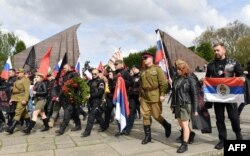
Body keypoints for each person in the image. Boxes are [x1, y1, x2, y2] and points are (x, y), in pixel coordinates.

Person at [205, 43, 244, 150]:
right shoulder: (211, 64)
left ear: (224, 50)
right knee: (219, 119)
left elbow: (241, 75)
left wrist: (242, 79)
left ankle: (239, 136)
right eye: (214, 51)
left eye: (218, 50)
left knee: (234, 117)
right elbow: (207, 78)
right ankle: (222, 140)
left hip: (230, 96)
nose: (216, 52)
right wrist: (203, 81)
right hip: (217, 96)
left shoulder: (233, 62)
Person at [139, 52, 171, 145]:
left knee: (156, 116)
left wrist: (162, 94)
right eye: (143, 58)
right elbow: (140, 85)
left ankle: (167, 125)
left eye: (145, 57)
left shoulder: (157, 69)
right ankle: (148, 137)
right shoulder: (143, 71)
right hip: (144, 96)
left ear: (151, 58)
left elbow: (163, 83)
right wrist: (140, 95)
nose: (144, 59)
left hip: (154, 95)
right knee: (145, 115)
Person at [171, 59, 198, 153]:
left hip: (186, 103)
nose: (177, 70)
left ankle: (184, 144)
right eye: (176, 69)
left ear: (183, 69)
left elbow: (194, 94)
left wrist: (195, 109)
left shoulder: (190, 79)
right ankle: (191, 135)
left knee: (185, 124)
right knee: (180, 123)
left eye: (179, 69)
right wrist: (172, 104)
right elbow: (174, 92)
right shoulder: (176, 78)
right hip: (178, 103)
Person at [55, 64, 81, 135]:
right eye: (63, 68)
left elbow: (78, 84)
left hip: (71, 97)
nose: (64, 69)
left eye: (65, 68)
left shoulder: (74, 74)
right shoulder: (65, 76)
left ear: (69, 68)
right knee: (74, 113)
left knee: (67, 113)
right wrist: (59, 96)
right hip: (65, 97)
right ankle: (78, 125)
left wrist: (72, 89)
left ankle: (62, 129)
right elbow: (63, 87)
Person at [81, 68, 106, 137]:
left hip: (97, 101)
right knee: (97, 116)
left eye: (95, 73)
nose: (94, 75)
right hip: (90, 101)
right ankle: (104, 126)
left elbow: (100, 93)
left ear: (98, 74)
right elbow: (85, 89)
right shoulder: (90, 81)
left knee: (91, 116)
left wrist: (91, 95)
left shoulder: (101, 81)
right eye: (92, 73)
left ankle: (87, 132)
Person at [5, 68, 31, 134]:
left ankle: (11, 128)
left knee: (18, 112)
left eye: (19, 72)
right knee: (24, 112)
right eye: (17, 72)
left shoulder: (26, 80)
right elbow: (14, 91)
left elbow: (27, 91)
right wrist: (12, 98)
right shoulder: (18, 80)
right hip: (16, 98)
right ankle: (29, 124)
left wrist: (25, 99)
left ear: (23, 73)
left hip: (22, 98)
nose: (17, 74)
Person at [113, 59, 133, 136]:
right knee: (117, 111)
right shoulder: (114, 73)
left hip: (123, 95)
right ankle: (120, 129)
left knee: (123, 111)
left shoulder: (125, 72)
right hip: (115, 96)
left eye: (117, 64)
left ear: (121, 64)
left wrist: (122, 80)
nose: (115, 65)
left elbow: (131, 83)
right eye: (115, 64)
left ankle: (125, 128)